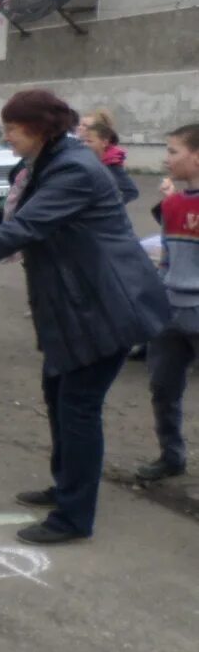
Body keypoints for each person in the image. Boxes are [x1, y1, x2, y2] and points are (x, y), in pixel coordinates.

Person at [0, 90, 169, 545]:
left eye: (12, 131)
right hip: (74, 304)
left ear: (39, 129)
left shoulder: (74, 168)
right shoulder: (51, 161)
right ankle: (64, 487)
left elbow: (29, 228)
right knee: (59, 395)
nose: (7, 140)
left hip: (105, 305)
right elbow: (30, 220)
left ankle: (75, 516)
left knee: (78, 408)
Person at [135, 124, 199, 483]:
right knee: (163, 388)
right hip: (169, 312)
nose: (166, 158)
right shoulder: (172, 205)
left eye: (174, 151)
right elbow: (168, 257)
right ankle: (171, 456)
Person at [83, 122, 139, 204]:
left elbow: (131, 191)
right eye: (84, 141)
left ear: (104, 143)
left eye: (89, 141)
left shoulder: (112, 165)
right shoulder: (90, 160)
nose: (84, 144)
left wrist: (110, 206)